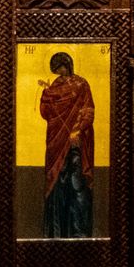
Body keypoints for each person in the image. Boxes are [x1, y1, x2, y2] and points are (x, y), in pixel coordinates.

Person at [37, 51, 95, 238]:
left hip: (75, 142)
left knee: (77, 184)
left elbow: (88, 110)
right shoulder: (55, 86)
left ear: (67, 65)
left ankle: (79, 232)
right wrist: (46, 95)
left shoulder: (81, 84)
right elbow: (46, 113)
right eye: (56, 70)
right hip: (57, 142)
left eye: (61, 68)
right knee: (58, 185)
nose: (59, 73)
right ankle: (56, 232)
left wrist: (77, 130)